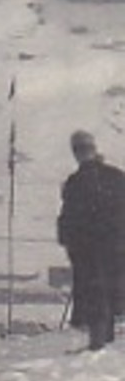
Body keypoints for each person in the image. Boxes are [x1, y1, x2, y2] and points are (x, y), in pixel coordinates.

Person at [57, 130, 125, 352]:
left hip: (95, 248)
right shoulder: (114, 177)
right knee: (106, 293)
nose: (81, 154)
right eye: (79, 149)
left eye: (82, 149)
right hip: (107, 247)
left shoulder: (79, 182)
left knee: (97, 294)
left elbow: (69, 217)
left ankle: (99, 343)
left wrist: (68, 240)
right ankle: (103, 340)